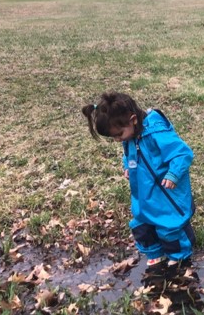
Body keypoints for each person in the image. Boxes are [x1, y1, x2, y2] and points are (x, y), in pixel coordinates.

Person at [82, 92, 196, 285]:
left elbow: (182, 153)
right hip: (144, 191)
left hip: (166, 192)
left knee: (169, 226)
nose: (118, 140)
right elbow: (128, 152)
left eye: (118, 135)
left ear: (133, 120)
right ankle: (156, 253)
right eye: (113, 137)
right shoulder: (130, 134)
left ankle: (179, 255)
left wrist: (173, 173)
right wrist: (127, 165)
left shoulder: (156, 134)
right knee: (143, 225)